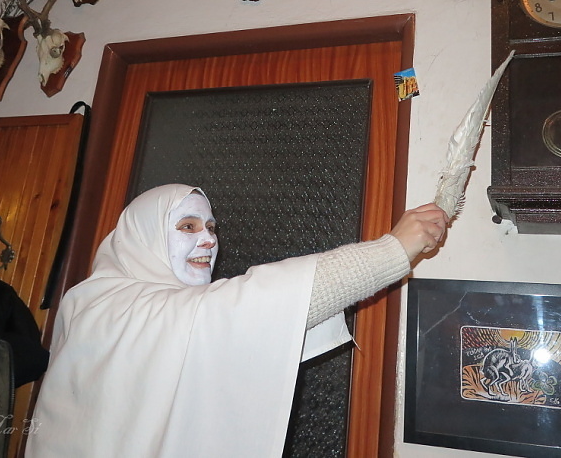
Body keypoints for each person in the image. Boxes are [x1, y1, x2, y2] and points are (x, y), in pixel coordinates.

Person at [26, 184, 447, 457]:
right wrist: (393, 249)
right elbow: (255, 303)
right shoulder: (103, 306)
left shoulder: (130, 307)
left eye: (210, 227)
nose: (208, 240)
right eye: (187, 226)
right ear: (143, 238)